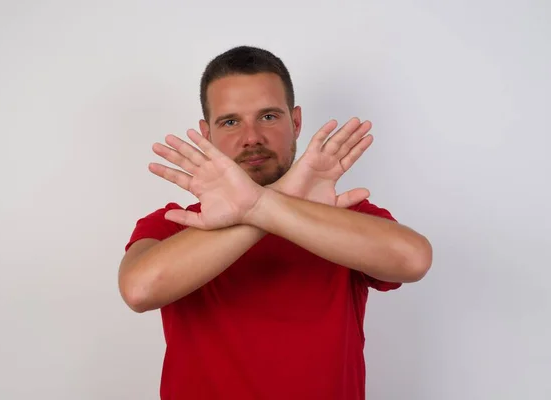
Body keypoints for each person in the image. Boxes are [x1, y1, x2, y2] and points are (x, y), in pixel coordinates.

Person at [118, 45, 432, 400]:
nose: (251, 137)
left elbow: (413, 259)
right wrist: (276, 201)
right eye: (231, 121)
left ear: (296, 122)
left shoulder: (342, 218)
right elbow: (139, 290)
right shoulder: (175, 224)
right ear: (207, 134)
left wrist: (260, 206)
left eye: (268, 116)